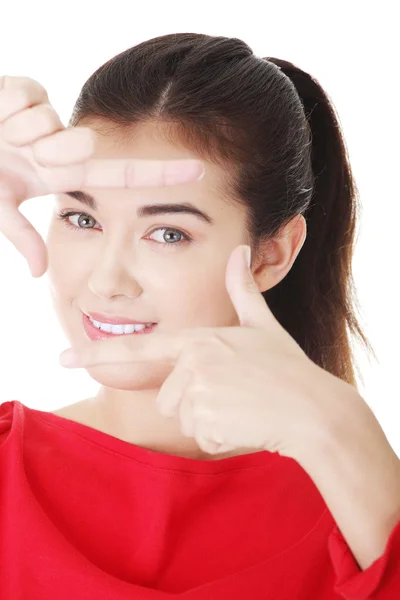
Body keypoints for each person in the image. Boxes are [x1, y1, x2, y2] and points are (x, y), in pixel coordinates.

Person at [0, 32, 399, 599]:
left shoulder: (363, 506)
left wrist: (341, 428)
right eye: (82, 219)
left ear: (273, 254)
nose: (106, 281)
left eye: (168, 233)